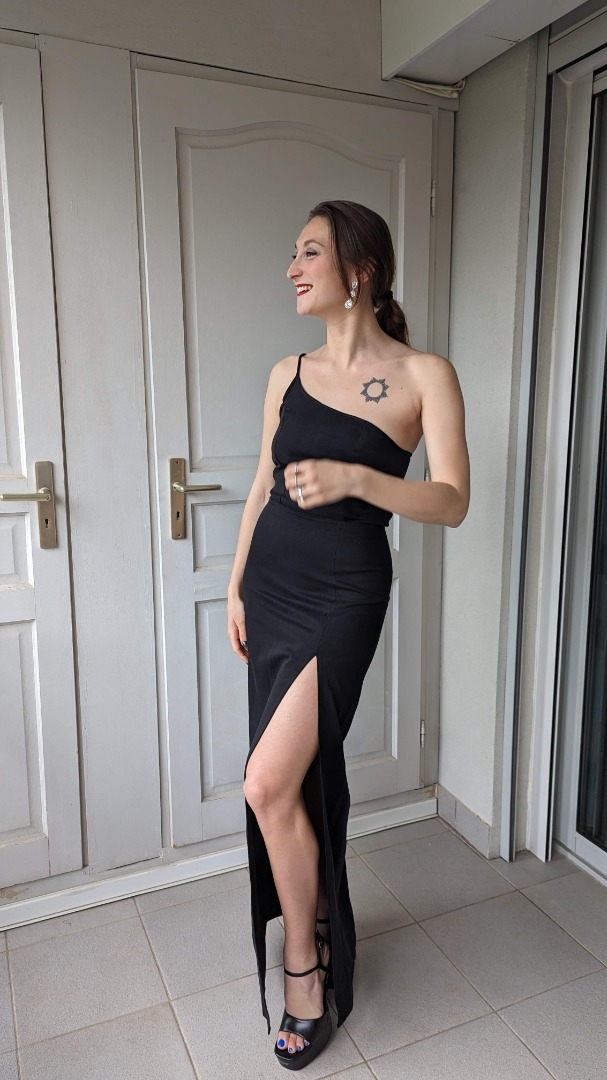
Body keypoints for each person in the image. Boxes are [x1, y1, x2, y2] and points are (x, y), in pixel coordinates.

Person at [227, 199, 469, 1071]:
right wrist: (234, 585)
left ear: (359, 270)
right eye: (292, 254)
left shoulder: (422, 375)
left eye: (309, 253)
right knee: (289, 780)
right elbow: (261, 484)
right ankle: (317, 913)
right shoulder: (285, 372)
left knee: (265, 782)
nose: (292, 269)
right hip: (272, 587)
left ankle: (305, 969)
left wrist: (358, 479)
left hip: (342, 596)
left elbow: (450, 499)